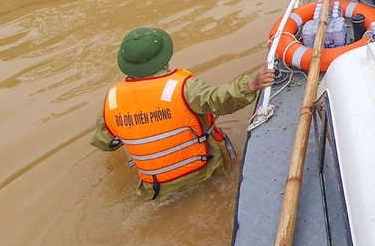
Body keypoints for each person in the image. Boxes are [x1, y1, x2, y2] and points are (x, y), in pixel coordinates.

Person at [91, 28, 275, 199]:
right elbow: (218, 99)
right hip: (203, 172)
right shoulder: (182, 87)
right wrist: (251, 85)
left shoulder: (113, 99)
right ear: (164, 58)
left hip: (156, 189)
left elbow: (105, 143)